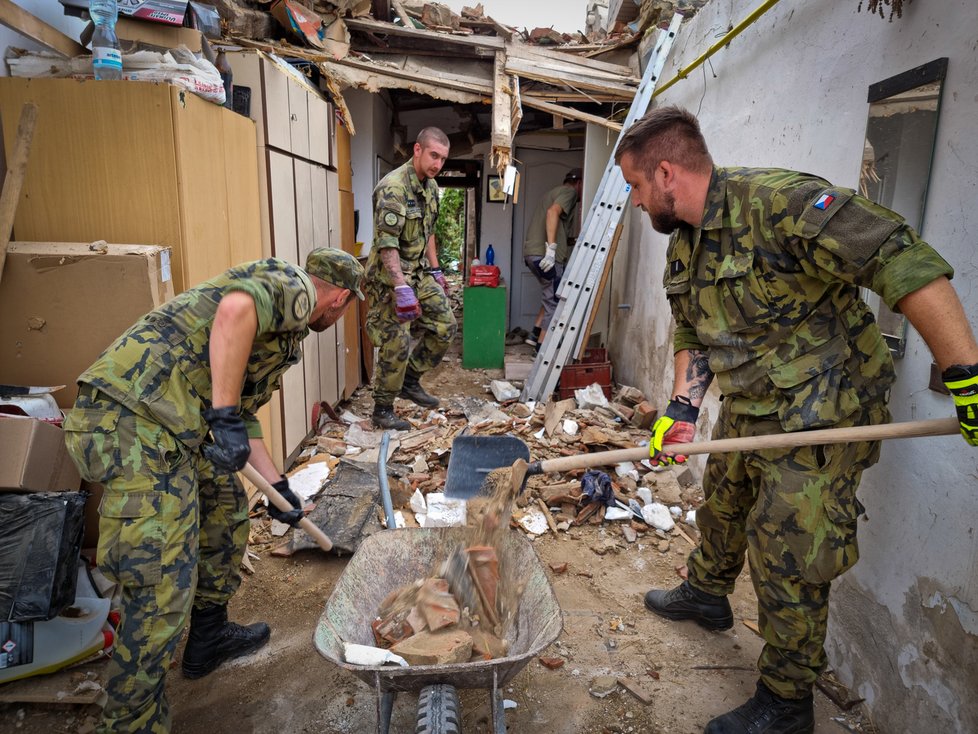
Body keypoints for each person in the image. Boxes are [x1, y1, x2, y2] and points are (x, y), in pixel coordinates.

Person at [614, 106, 978, 734]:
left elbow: (903, 258)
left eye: (637, 187)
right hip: (753, 402)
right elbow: (694, 328)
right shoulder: (687, 241)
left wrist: (966, 376)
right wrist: (681, 408)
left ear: (666, 172)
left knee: (788, 549)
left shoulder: (781, 204)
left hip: (823, 411)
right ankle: (707, 594)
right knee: (723, 501)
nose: (638, 203)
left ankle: (786, 702)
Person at [63, 250, 366, 734]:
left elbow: (242, 417)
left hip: (176, 427)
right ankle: (132, 723)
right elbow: (234, 311)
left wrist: (280, 489)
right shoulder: (294, 287)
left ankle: (207, 636)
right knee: (161, 581)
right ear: (342, 298)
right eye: (348, 308)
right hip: (131, 419)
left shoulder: (286, 335)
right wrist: (222, 416)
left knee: (226, 512)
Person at [365, 127, 457, 430]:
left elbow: (427, 231)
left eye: (443, 159)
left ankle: (409, 379)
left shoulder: (430, 187)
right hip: (390, 279)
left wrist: (436, 270)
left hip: (417, 272)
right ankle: (382, 408)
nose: (438, 164)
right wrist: (401, 286)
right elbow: (386, 243)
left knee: (445, 326)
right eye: (434, 155)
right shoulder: (394, 187)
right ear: (417, 150)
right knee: (397, 341)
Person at [522, 168, 584, 350]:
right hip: (545, 256)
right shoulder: (569, 192)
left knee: (550, 296)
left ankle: (534, 334)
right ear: (579, 183)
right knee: (555, 303)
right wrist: (551, 249)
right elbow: (552, 213)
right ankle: (542, 349)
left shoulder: (552, 192)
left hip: (532, 254)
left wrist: (571, 241)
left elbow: (555, 223)